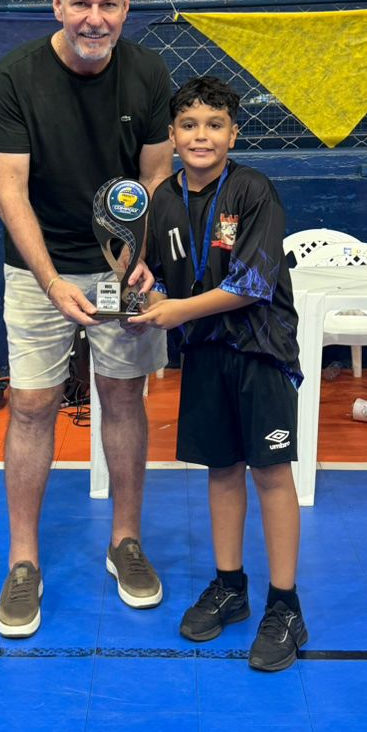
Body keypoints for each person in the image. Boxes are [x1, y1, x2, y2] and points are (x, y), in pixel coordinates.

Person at [0, 0, 172, 637]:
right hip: (39, 268)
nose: (95, 18)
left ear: (126, 8)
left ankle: (126, 543)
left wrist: (138, 258)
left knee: (123, 397)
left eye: (109, 4)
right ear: (58, 5)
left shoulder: (148, 72)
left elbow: (155, 180)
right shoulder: (15, 76)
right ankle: (24, 562)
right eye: (82, 3)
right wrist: (51, 280)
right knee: (32, 405)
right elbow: (9, 192)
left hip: (121, 266)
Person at [130, 74, 306, 672]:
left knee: (271, 473)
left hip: (260, 352)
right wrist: (149, 292)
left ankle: (285, 605)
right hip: (205, 353)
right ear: (172, 135)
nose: (200, 135)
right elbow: (162, 273)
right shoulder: (162, 199)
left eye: (214, 125)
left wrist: (177, 311)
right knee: (222, 469)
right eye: (188, 125)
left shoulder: (255, 190)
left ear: (234, 133)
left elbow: (252, 283)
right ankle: (231, 586)